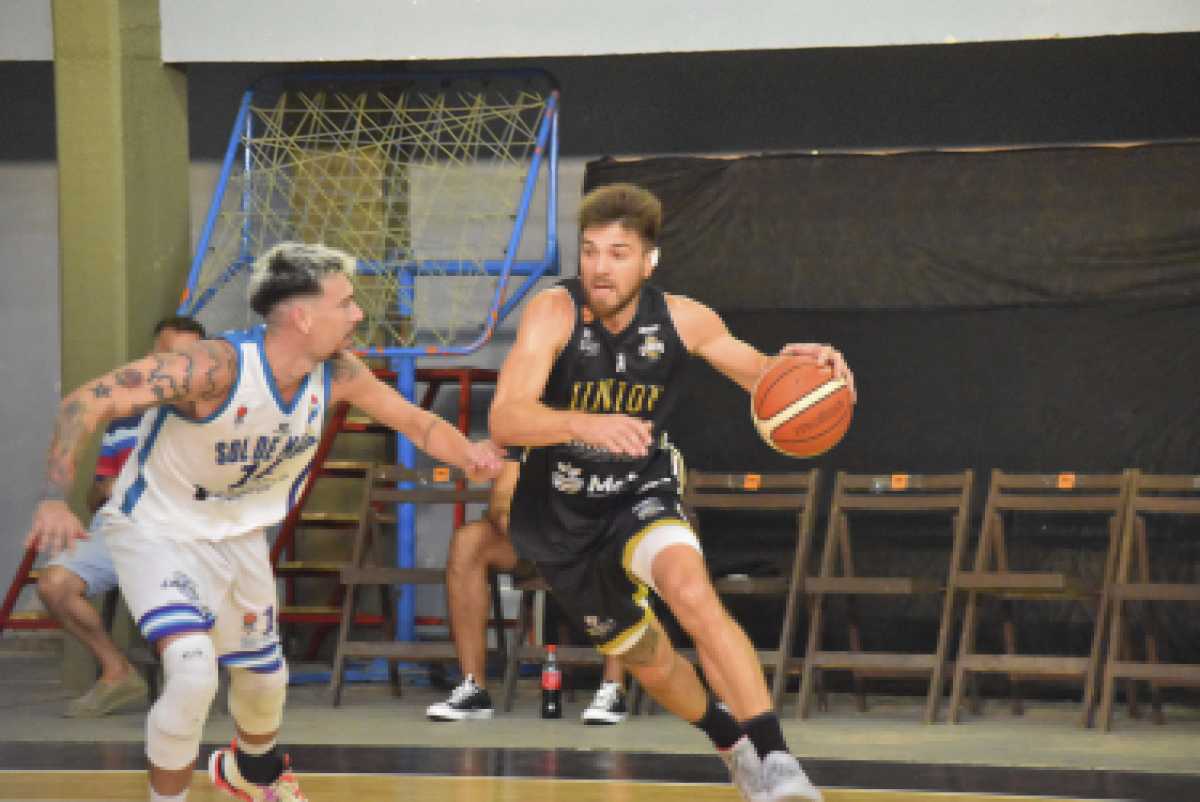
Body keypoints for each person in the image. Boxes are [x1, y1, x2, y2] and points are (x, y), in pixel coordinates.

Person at [25, 242, 504, 802]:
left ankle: (251, 775)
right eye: (345, 303)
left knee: (263, 684)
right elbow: (84, 404)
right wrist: (53, 498)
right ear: (302, 316)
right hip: (158, 528)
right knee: (193, 670)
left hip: (238, 534)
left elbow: (419, 426)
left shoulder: (340, 373)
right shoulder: (212, 368)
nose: (357, 315)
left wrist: (468, 454)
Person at [489, 184, 855, 802]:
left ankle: (780, 762)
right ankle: (732, 747)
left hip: (640, 490)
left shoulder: (685, 319)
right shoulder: (553, 313)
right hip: (560, 515)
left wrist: (811, 371)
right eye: (590, 251)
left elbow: (762, 375)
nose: (600, 268)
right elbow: (504, 418)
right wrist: (581, 422)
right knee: (650, 659)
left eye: (618, 253)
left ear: (649, 260)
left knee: (690, 591)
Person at [38, 316, 206, 718]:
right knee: (53, 585)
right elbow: (97, 495)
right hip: (119, 526)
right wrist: (107, 489)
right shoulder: (127, 417)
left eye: (189, 357)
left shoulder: (210, 420)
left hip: (183, 534)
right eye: (170, 356)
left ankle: (190, 690)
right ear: (152, 359)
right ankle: (117, 672)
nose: (178, 367)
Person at [427, 460, 628, 724]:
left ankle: (614, 687)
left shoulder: (604, 432)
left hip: (591, 541)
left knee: (621, 538)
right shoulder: (530, 431)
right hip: (532, 543)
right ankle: (473, 688)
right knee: (468, 542)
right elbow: (501, 502)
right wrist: (523, 528)